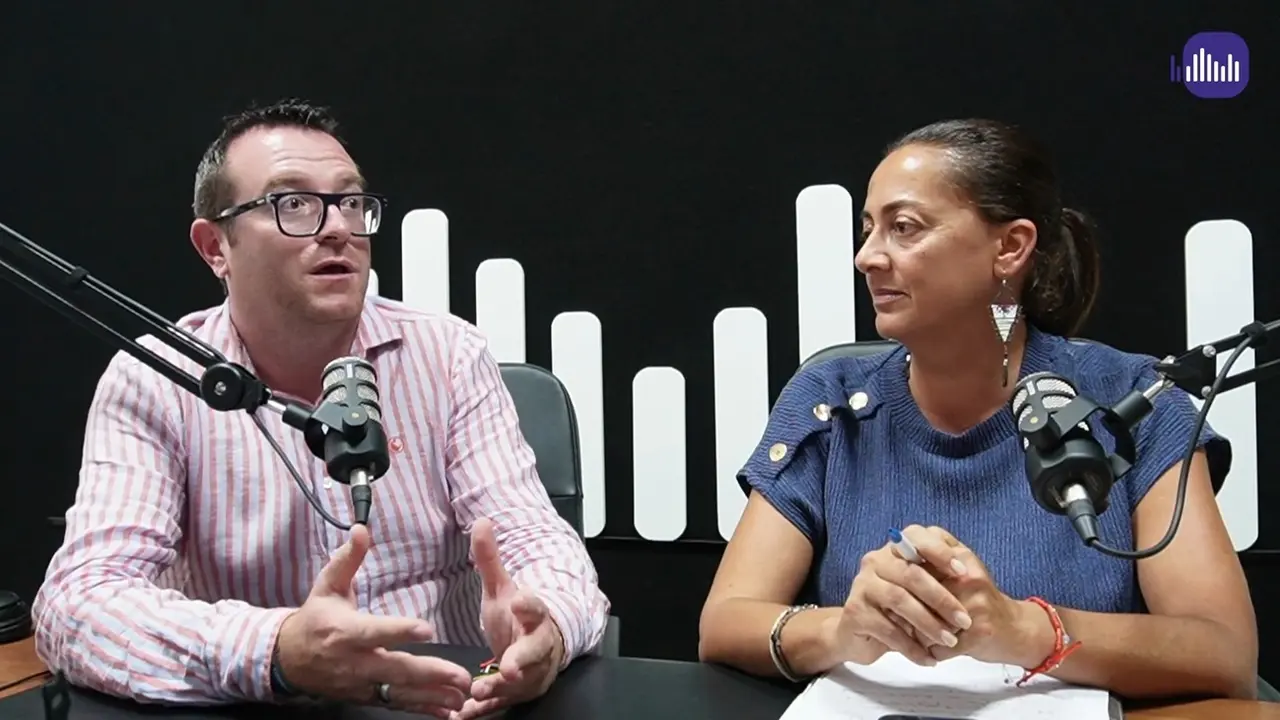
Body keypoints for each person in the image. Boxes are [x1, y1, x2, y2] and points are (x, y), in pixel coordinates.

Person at [31, 99, 610, 718]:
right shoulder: (156, 380)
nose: (337, 228)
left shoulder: (448, 354)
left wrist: (545, 625)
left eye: (351, 203)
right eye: (293, 205)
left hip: (444, 704)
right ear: (215, 247)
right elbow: (78, 604)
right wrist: (276, 651)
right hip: (254, 708)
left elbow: (536, 542)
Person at [698, 118, 1258, 701]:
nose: (867, 257)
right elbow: (725, 623)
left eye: (904, 228)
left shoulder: (1134, 400)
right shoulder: (831, 399)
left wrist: (1021, 630)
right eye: (868, 231)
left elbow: (1223, 654)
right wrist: (843, 629)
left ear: (1010, 247)